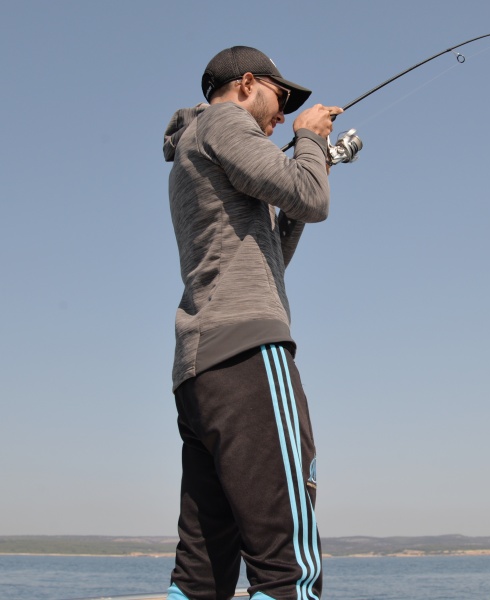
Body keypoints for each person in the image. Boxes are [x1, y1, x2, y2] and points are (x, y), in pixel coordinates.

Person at [162, 45, 342, 600]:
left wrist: (315, 164)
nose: (284, 115)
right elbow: (312, 198)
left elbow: (269, 256)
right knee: (286, 561)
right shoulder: (225, 122)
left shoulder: (199, 143)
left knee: (203, 568)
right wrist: (312, 142)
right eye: (281, 98)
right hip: (248, 356)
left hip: (202, 371)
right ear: (246, 84)